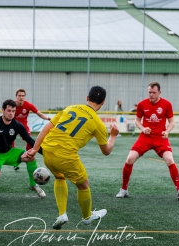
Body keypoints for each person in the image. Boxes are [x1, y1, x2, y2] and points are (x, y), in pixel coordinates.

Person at [24, 86, 119, 230]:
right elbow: (106, 151)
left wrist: (35, 149)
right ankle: (87, 217)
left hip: (47, 151)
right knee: (83, 184)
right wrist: (112, 136)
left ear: (87, 98)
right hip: (66, 156)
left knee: (60, 177)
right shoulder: (98, 123)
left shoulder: (70, 108)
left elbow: (46, 128)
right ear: (103, 102)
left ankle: (62, 214)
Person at [116, 82, 179, 200]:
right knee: (130, 158)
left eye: (154, 92)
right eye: (149, 92)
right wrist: (143, 128)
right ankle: (124, 189)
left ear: (159, 92)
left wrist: (167, 131)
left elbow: (172, 122)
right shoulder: (142, 104)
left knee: (169, 159)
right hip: (145, 138)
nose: (151, 95)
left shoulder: (167, 104)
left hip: (161, 138)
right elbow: (137, 121)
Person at [13, 88, 50, 170]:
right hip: (13, 126)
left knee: (30, 142)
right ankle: (14, 161)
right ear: (16, 97)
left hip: (23, 127)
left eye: (23, 96)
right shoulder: (12, 105)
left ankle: (28, 156)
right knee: (10, 141)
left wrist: (47, 118)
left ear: (24, 97)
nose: (21, 97)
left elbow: (39, 113)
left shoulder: (28, 105)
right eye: (19, 95)